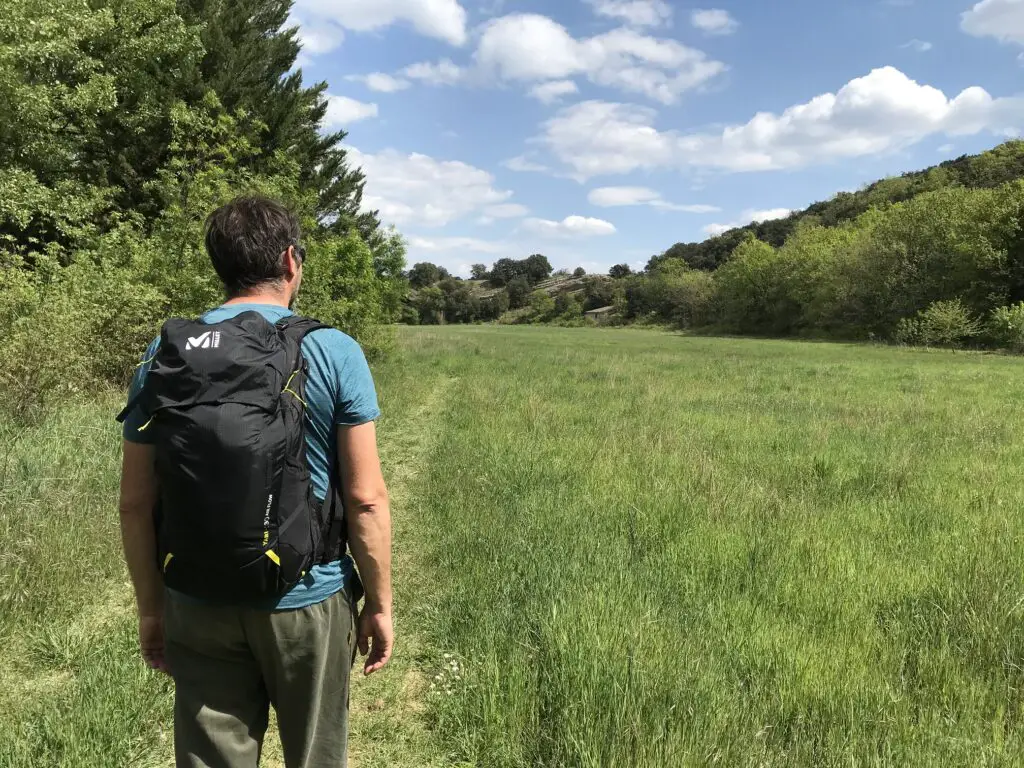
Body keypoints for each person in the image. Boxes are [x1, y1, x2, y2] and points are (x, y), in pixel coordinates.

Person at [117, 196, 393, 768]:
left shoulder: (166, 352)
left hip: (196, 598)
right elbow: (365, 501)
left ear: (219, 265)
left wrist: (152, 609)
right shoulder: (333, 350)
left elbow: (135, 503)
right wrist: (381, 604)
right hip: (307, 598)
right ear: (291, 261)